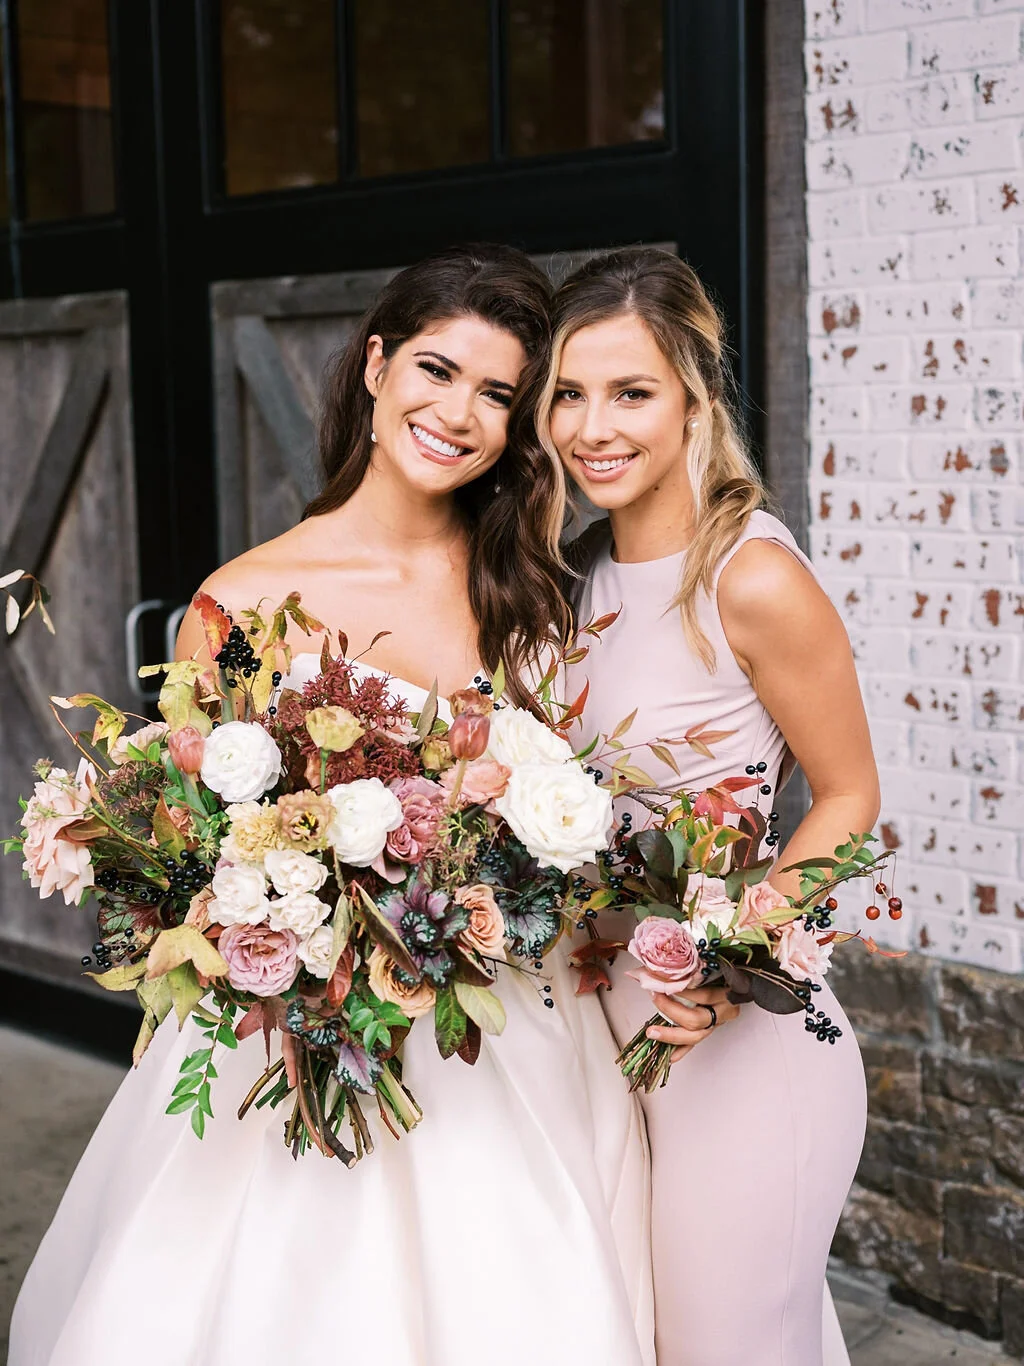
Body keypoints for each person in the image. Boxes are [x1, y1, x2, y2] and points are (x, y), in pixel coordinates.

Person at [9, 246, 655, 1366]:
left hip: (503, 1024)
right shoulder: (245, 598)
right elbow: (193, 860)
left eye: (499, 395)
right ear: (374, 365)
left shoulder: (535, 593)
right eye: (437, 370)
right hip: (297, 1037)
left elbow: (578, 814)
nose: (460, 413)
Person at [539, 246, 877, 1366]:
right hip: (605, 1038)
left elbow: (847, 799)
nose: (595, 425)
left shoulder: (750, 575)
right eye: (567, 394)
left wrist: (734, 961)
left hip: (745, 1050)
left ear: (694, 392)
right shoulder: (569, 583)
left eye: (630, 390)